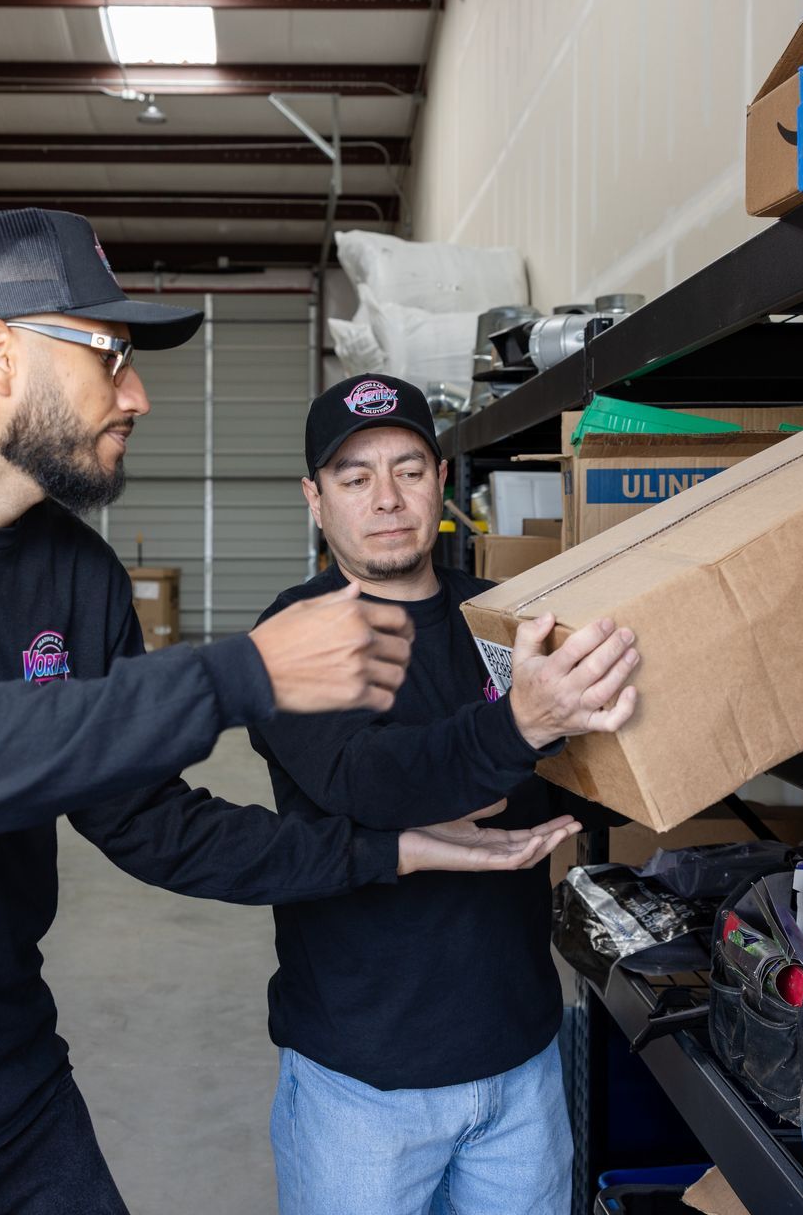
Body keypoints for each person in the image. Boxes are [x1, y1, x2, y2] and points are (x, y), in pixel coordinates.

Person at [0, 210, 582, 1215]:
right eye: (110, 355)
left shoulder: (80, 575)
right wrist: (245, 673)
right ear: (0, 352)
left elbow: (158, 826)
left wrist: (388, 852)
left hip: (10, 1097)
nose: (137, 393)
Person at [249, 373, 642, 1215]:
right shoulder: (293, 638)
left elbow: (576, 787)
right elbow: (368, 781)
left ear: (441, 484)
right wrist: (519, 725)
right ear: (315, 501)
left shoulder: (505, 624)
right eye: (355, 479)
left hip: (520, 1063)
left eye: (409, 470)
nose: (386, 499)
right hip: (364, 1086)